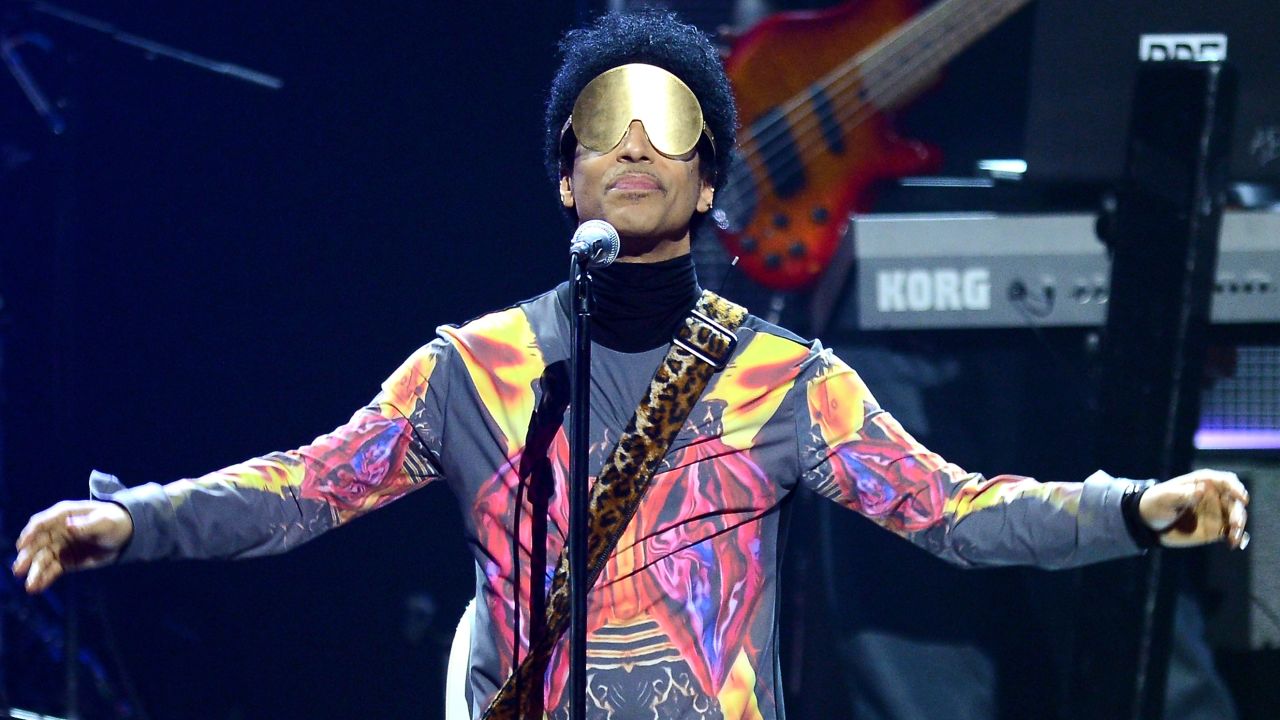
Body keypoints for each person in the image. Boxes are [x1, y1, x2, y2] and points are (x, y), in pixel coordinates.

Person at [11, 10, 1250, 720]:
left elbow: (957, 515)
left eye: (670, 131)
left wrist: (1132, 510)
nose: (636, 150)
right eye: (604, 131)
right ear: (563, 176)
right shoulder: (475, 370)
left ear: (711, 180)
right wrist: (135, 521)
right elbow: (303, 491)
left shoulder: (783, 381)